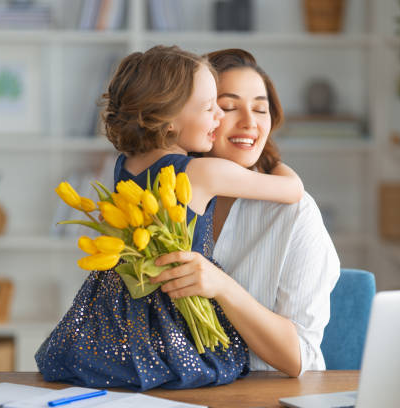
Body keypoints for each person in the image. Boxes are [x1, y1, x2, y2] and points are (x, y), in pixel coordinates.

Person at [36, 45, 304, 390]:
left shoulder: (125, 164)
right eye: (212, 108)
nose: (221, 119)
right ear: (169, 119)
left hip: (121, 316)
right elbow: (293, 191)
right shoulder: (205, 173)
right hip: (175, 318)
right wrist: (270, 157)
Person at [150, 49, 340, 377]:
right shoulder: (164, 196)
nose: (250, 123)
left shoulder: (294, 214)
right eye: (227, 107)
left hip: (270, 391)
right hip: (182, 387)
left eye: (260, 109)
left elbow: (301, 358)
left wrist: (222, 286)